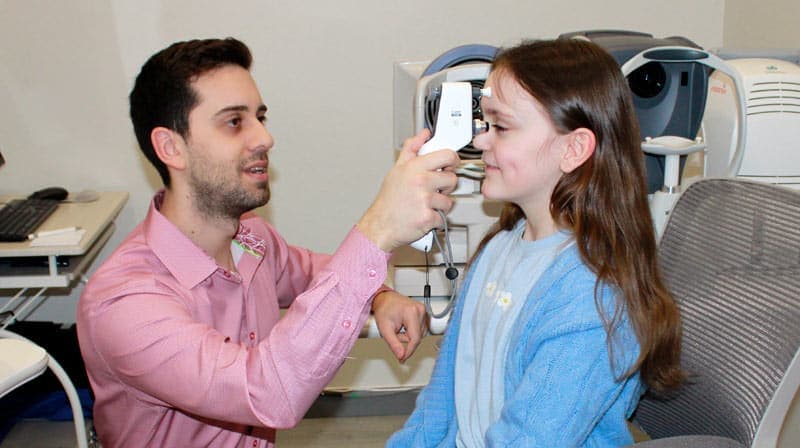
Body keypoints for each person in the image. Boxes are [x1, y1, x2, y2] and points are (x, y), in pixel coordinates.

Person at [76, 37, 460, 448]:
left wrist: (379, 295)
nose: (264, 138)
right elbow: (267, 393)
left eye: (260, 117)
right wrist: (378, 227)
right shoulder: (123, 303)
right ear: (171, 147)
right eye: (234, 122)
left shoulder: (250, 239)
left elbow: (315, 272)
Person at [387, 38, 684, 447]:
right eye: (484, 124)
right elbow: (442, 401)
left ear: (573, 148)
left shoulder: (594, 299)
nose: (481, 141)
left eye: (501, 127)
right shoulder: (500, 247)